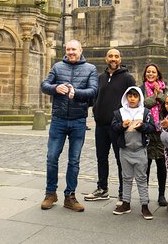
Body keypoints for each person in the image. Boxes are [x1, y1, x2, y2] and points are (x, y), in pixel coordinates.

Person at [40, 39, 98, 212]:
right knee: (52, 157)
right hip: (58, 120)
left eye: (74, 49)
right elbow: (44, 85)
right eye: (68, 49)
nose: (71, 52)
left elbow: (94, 91)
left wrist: (77, 93)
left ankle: (70, 196)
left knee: (74, 161)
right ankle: (50, 194)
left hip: (78, 121)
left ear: (81, 50)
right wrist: (55, 88)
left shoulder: (90, 69)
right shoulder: (58, 67)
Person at [85, 48, 136, 204]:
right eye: (111, 56)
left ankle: (123, 192)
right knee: (101, 158)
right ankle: (102, 188)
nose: (113, 59)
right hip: (100, 125)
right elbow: (95, 97)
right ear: (106, 59)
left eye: (116, 56)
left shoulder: (128, 78)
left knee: (121, 159)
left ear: (120, 59)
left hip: (118, 126)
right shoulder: (101, 77)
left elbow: (133, 101)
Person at [111, 86, 156, 219]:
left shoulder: (145, 112)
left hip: (140, 150)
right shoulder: (119, 113)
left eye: (135, 96)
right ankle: (126, 203)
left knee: (142, 178)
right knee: (126, 178)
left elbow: (152, 127)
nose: (132, 99)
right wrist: (122, 126)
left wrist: (142, 126)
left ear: (139, 98)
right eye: (130, 96)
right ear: (126, 97)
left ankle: (144, 205)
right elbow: (113, 127)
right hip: (125, 150)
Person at [140, 63, 168, 206]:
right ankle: (144, 194)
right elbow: (143, 104)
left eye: (153, 72)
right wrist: (156, 97)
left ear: (158, 75)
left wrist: (160, 95)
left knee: (161, 163)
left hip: (160, 131)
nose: (150, 74)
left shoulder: (163, 88)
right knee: (146, 164)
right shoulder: (140, 89)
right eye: (148, 72)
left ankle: (162, 194)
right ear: (145, 74)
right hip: (146, 129)